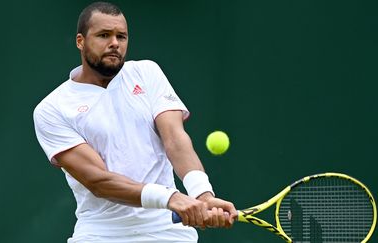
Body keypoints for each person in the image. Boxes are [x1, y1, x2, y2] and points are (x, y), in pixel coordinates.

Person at [33, 2, 237, 242]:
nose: (114, 44)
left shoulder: (146, 73)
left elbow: (175, 139)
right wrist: (170, 198)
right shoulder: (52, 109)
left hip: (167, 233)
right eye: (104, 35)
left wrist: (202, 193)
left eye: (121, 36)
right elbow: (99, 181)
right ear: (80, 41)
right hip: (101, 235)